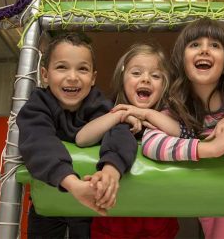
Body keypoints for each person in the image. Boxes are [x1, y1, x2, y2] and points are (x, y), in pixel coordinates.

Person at [141, 18, 224, 239]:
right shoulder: (176, 106)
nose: (204, 50)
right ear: (182, 60)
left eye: (215, 45)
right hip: (204, 194)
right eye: (195, 44)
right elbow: (150, 143)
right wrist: (208, 148)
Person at [16, 32, 138, 239]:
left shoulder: (100, 106)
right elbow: (40, 142)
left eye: (82, 69)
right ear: (45, 75)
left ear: (93, 78)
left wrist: (111, 171)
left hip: (90, 200)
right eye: (62, 67)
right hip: (50, 199)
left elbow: (120, 133)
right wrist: (73, 184)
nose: (72, 77)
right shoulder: (37, 107)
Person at [76, 42, 180, 238]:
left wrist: (145, 113)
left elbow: (181, 133)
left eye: (155, 76)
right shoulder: (110, 112)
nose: (146, 79)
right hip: (112, 221)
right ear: (122, 79)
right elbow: (82, 138)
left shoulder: (167, 115)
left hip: (157, 223)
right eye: (136, 73)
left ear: (165, 85)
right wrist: (120, 115)